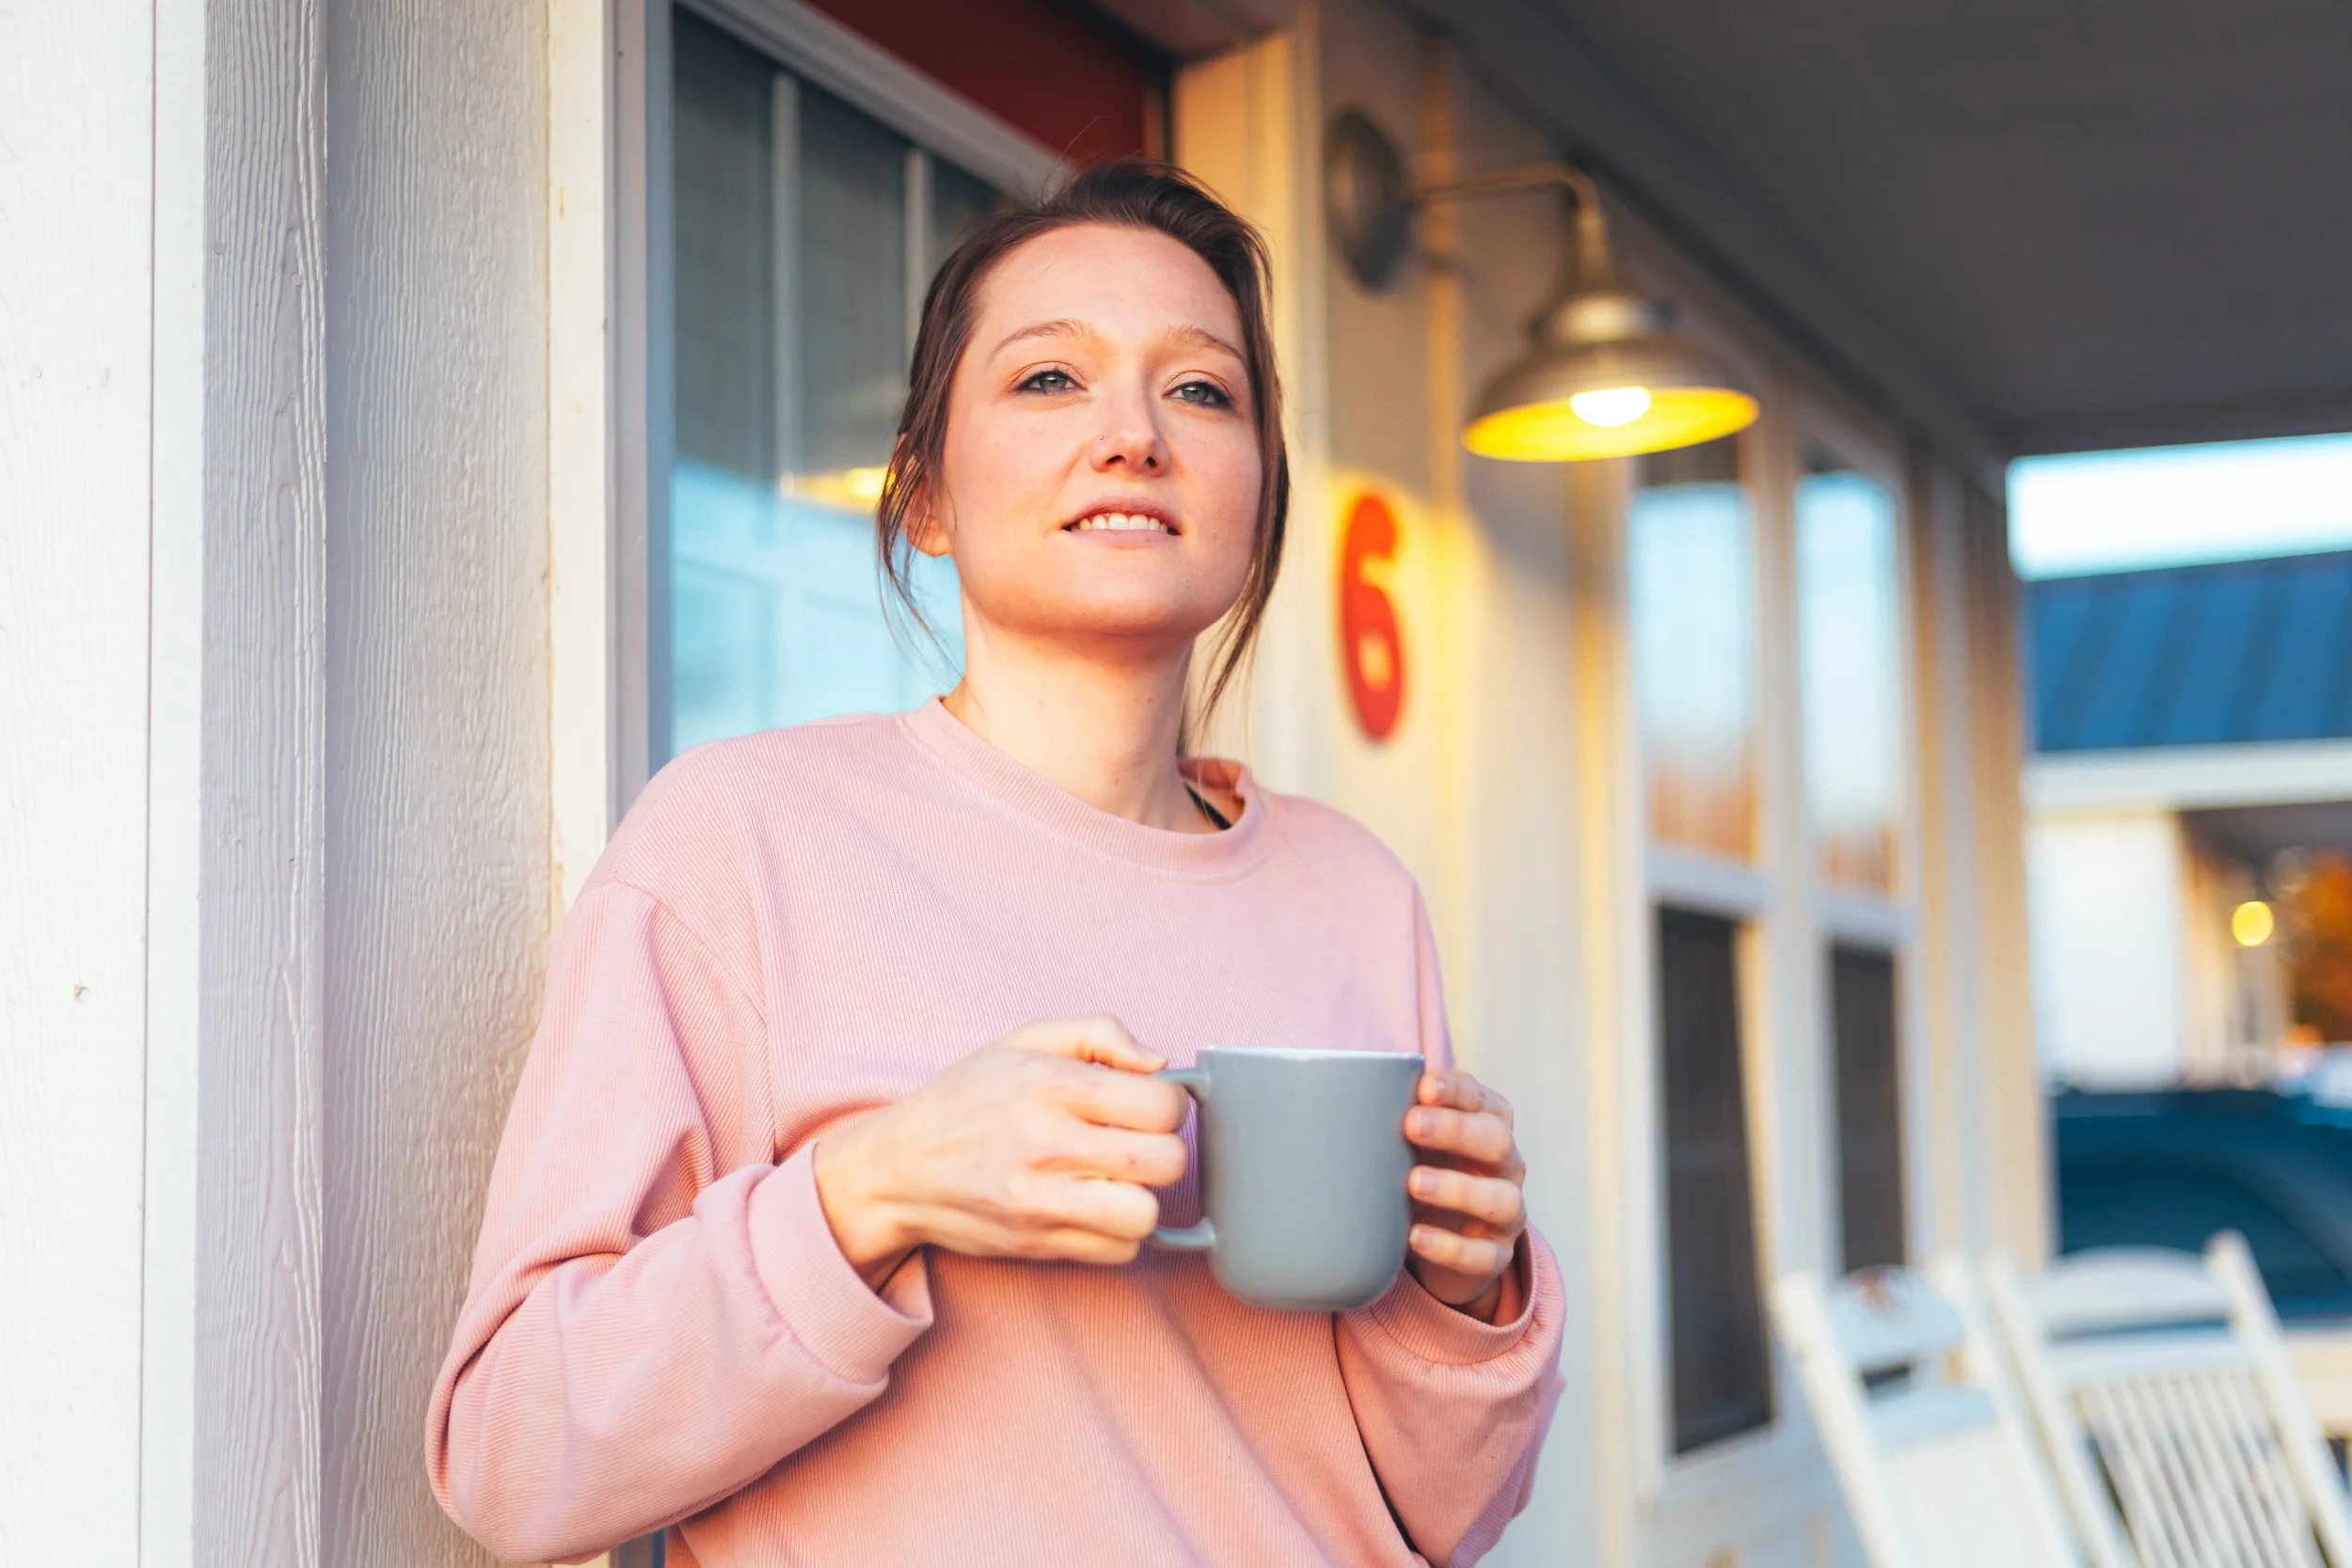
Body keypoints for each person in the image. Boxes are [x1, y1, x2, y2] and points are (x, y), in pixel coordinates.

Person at [428, 159, 1562, 1567]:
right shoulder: (738, 839)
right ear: (924, 497)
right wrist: (876, 1187)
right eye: (1048, 381)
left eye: (1202, 391)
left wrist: (1465, 1290)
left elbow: (1445, 1512)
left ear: (1259, 492)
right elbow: (512, 1458)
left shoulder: (1358, 893)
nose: (1135, 434)